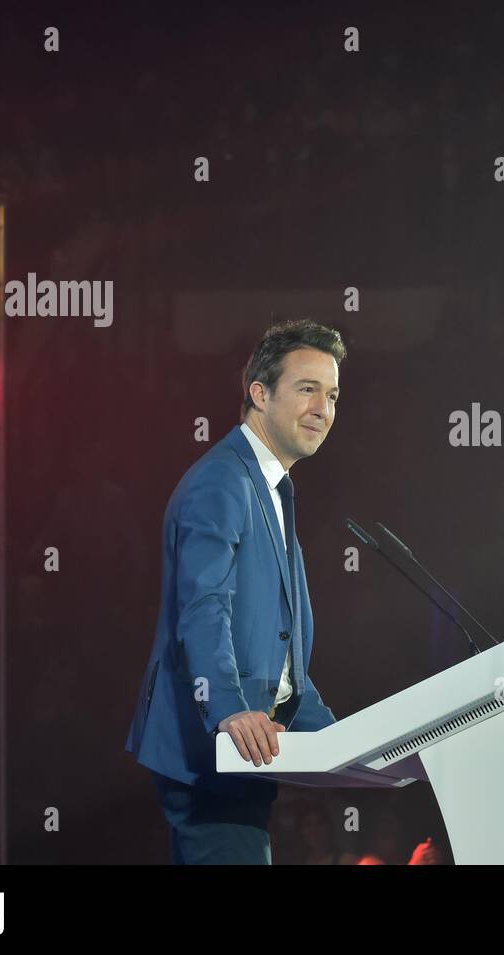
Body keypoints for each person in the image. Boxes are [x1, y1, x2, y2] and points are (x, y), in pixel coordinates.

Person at [125, 319, 346, 864]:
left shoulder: (269, 486)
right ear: (259, 393)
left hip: (243, 760)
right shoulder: (222, 480)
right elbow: (202, 607)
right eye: (307, 389)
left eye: (333, 394)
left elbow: (281, 654)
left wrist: (352, 741)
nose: (324, 408)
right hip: (210, 756)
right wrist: (227, 709)